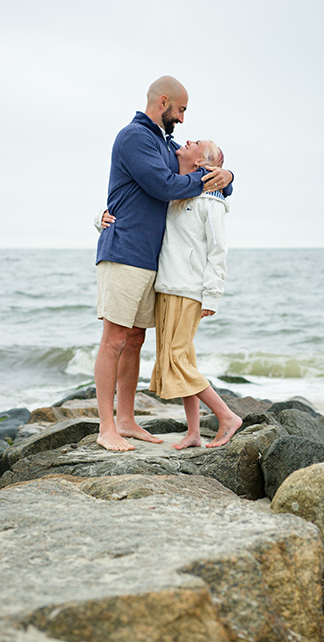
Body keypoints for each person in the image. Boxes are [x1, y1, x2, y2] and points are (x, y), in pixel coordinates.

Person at [94, 76, 233, 452]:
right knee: (114, 340)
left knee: (135, 339)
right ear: (164, 102)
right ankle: (106, 427)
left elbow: (199, 165)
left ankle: (126, 419)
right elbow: (164, 184)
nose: (183, 120)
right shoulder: (135, 137)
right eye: (181, 110)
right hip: (124, 252)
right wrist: (211, 180)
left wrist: (228, 177)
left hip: (151, 261)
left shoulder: (163, 141)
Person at [148, 139, 243, 448]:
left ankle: (227, 417)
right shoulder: (177, 193)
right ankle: (193, 432)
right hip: (167, 286)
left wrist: (212, 295)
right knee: (184, 358)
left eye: (197, 143)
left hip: (189, 290)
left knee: (176, 360)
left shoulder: (211, 203)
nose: (187, 141)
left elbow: (219, 250)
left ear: (203, 163)